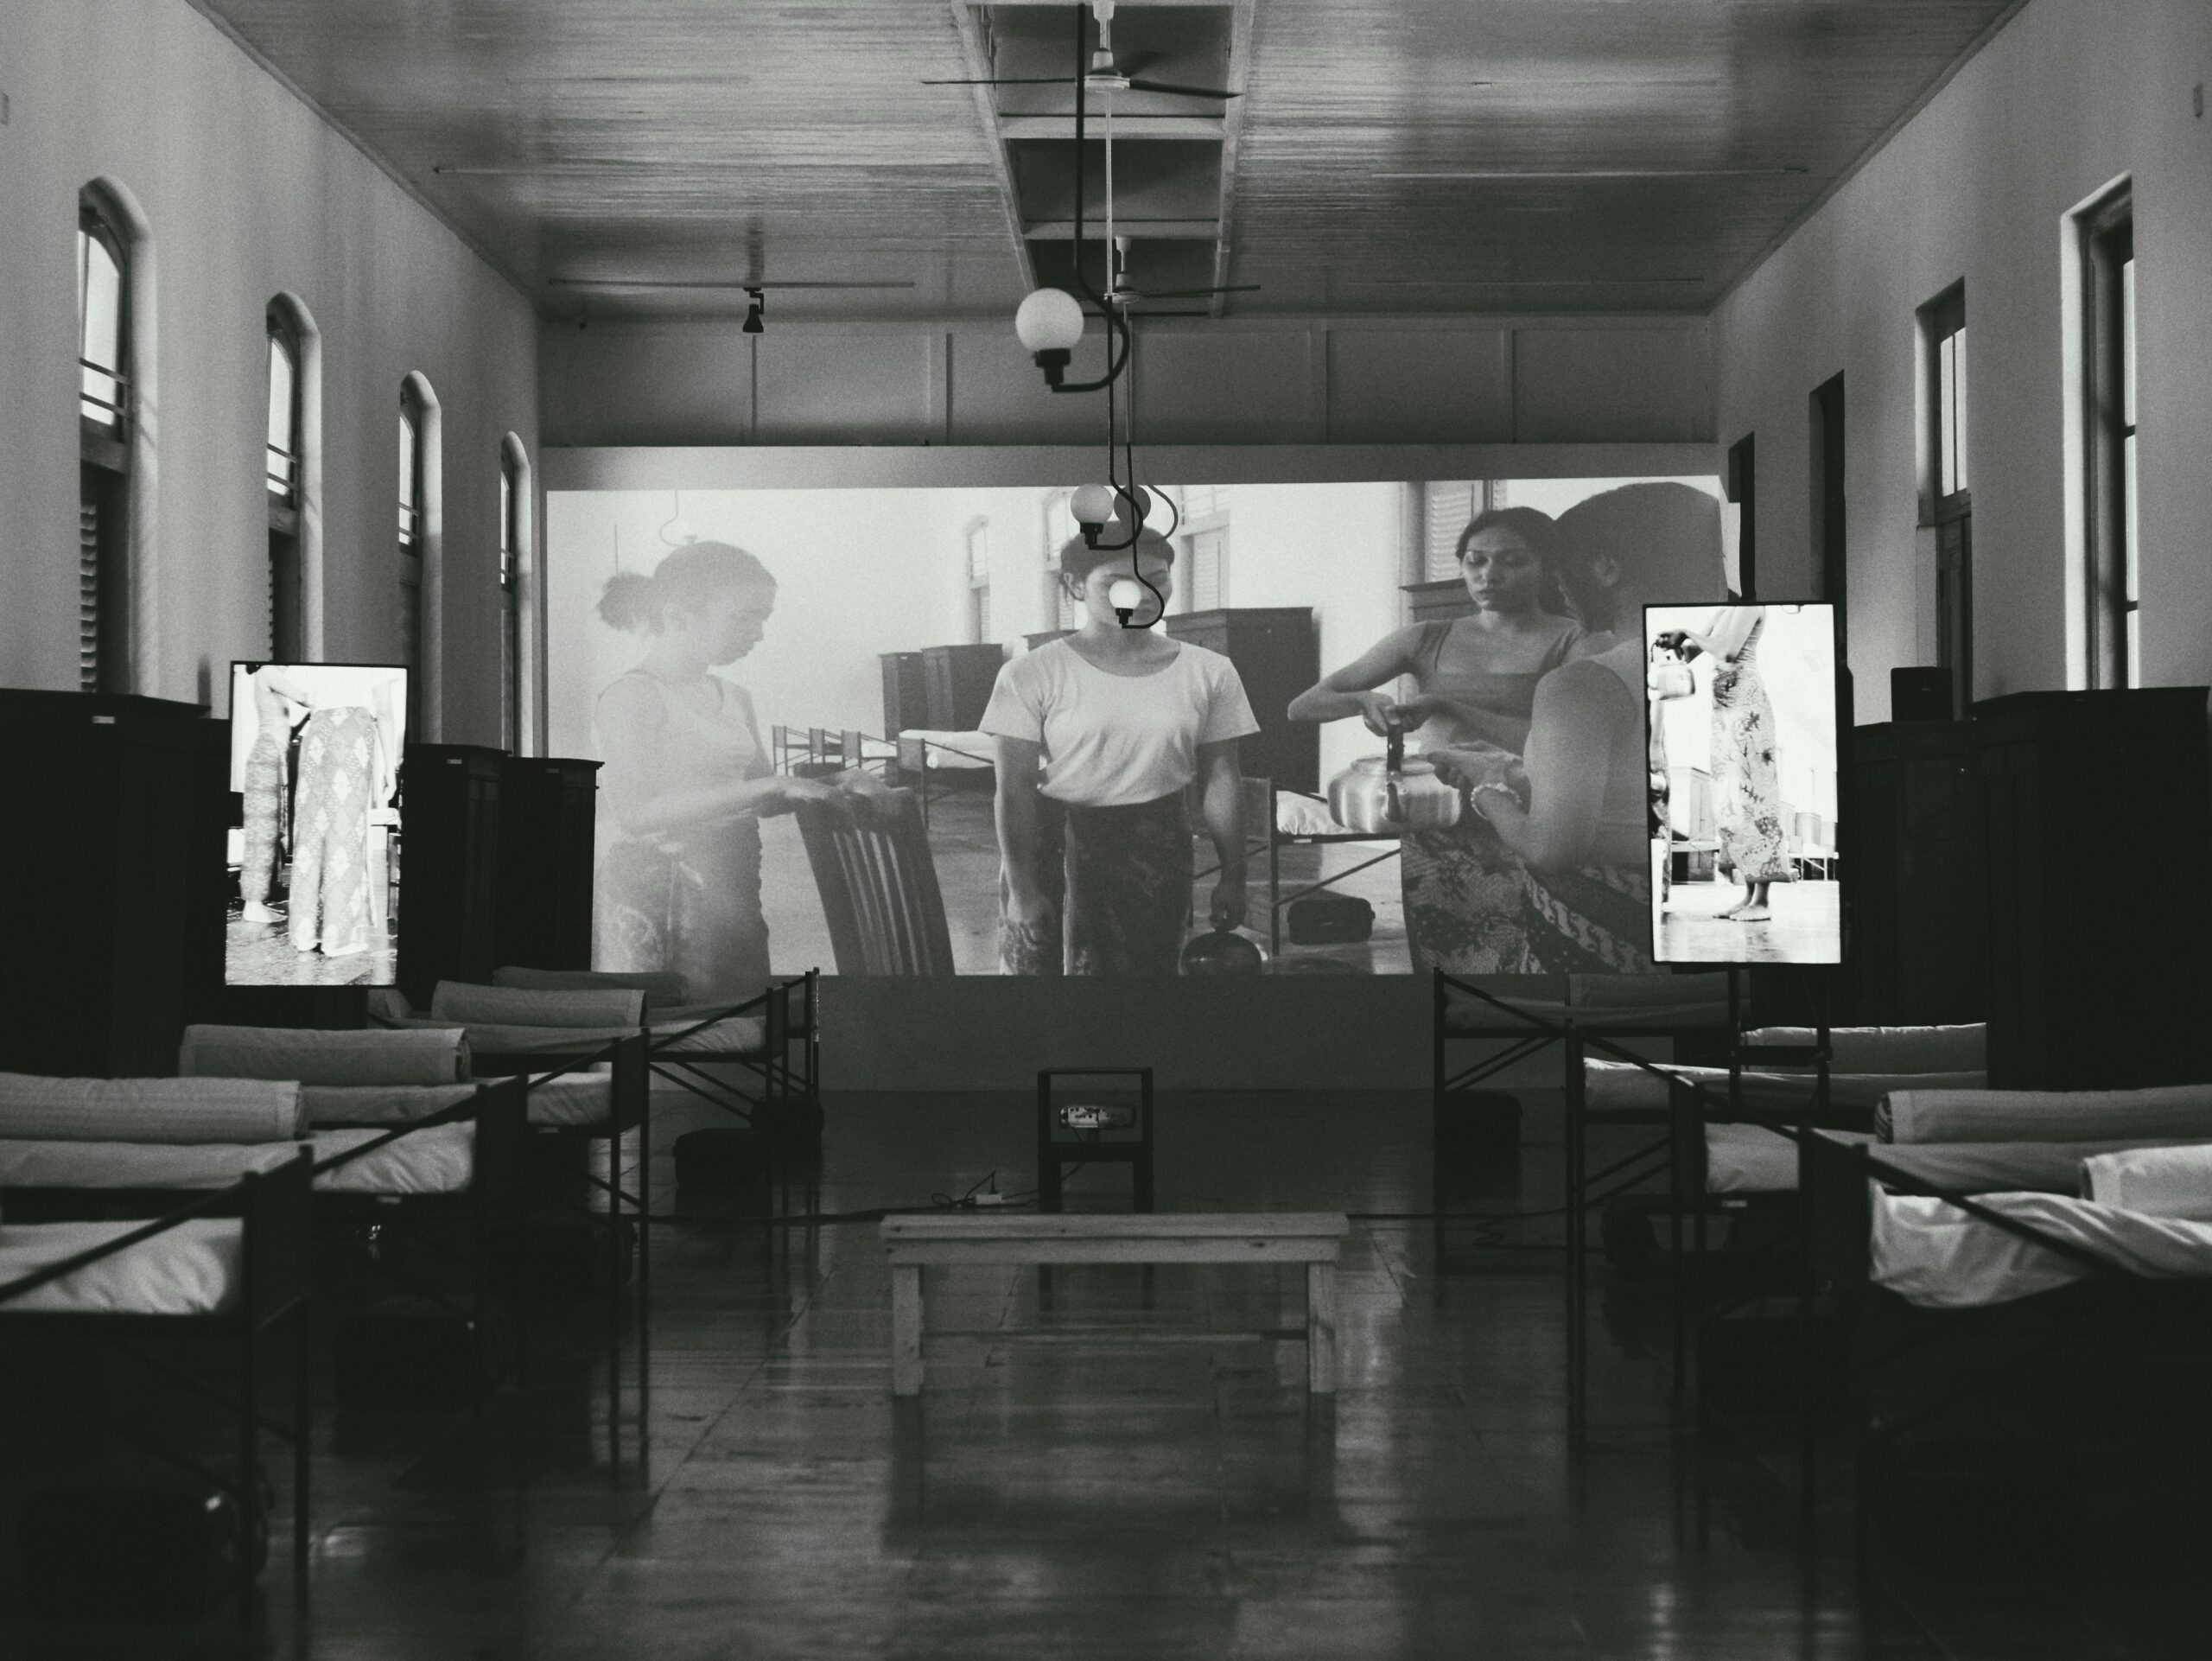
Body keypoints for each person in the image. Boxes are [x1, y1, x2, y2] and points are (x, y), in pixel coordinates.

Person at [1432, 482, 1727, 973]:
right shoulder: (1749, 663)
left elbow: (1552, 849)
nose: (1559, 585)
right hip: (1720, 951)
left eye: (1562, 565)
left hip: (1610, 956)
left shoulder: (1583, 684)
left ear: (1606, 568)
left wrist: (1488, 790)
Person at [1287, 507, 1590, 972]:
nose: (1490, 574)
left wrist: (1449, 706)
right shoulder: (1427, 637)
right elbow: (1303, 706)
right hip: (1440, 828)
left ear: (1546, 566)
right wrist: (1363, 700)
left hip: (1530, 823)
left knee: (1529, 964)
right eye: (1476, 561)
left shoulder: (1574, 640)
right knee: (1443, 962)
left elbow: (1568, 742)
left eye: (1511, 561)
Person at [984, 527, 1256, 976]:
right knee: (1045, 1000)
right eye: (1115, 582)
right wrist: (1023, 889)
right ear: (1074, 585)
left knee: (1145, 991)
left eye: (1157, 577)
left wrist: (1234, 877)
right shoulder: (1031, 673)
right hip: (1054, 850)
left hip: (1158, 853)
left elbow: (1222, 777)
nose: (1143, 594)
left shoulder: (1209, 672)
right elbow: (1014, 789)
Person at [593, 540, 846, 1004]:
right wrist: (769, 785)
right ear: (679, 617)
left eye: (763, 618)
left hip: (734, 879)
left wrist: (837, 785)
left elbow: (767, 800)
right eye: (744, 617)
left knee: (740, 1015)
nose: (759, 633)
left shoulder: (735, 696)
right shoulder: (631, 696)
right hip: (661, 889)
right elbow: (635, 814)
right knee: (678, 1030)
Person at [1655, 607, 1793, 920]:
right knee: (1731, 798)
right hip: (1724, 705)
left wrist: (1687, 632)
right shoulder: (1725, 610)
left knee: (1754, 793)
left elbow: (1727, 651)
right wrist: (1671, 646)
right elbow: (1694, 651)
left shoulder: (1752, 603)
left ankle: (1763, 901)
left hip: (1746, 703)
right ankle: (1748, 895)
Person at [238, 664, 315, 926]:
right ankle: (253, 904)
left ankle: (257, 902)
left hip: (272, 758)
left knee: (270, 831)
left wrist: (307, 719)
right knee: (261, 830)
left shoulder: (269, 680)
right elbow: (304, 697)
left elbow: (287, 732)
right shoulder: (267, 672)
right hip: (265, 759)